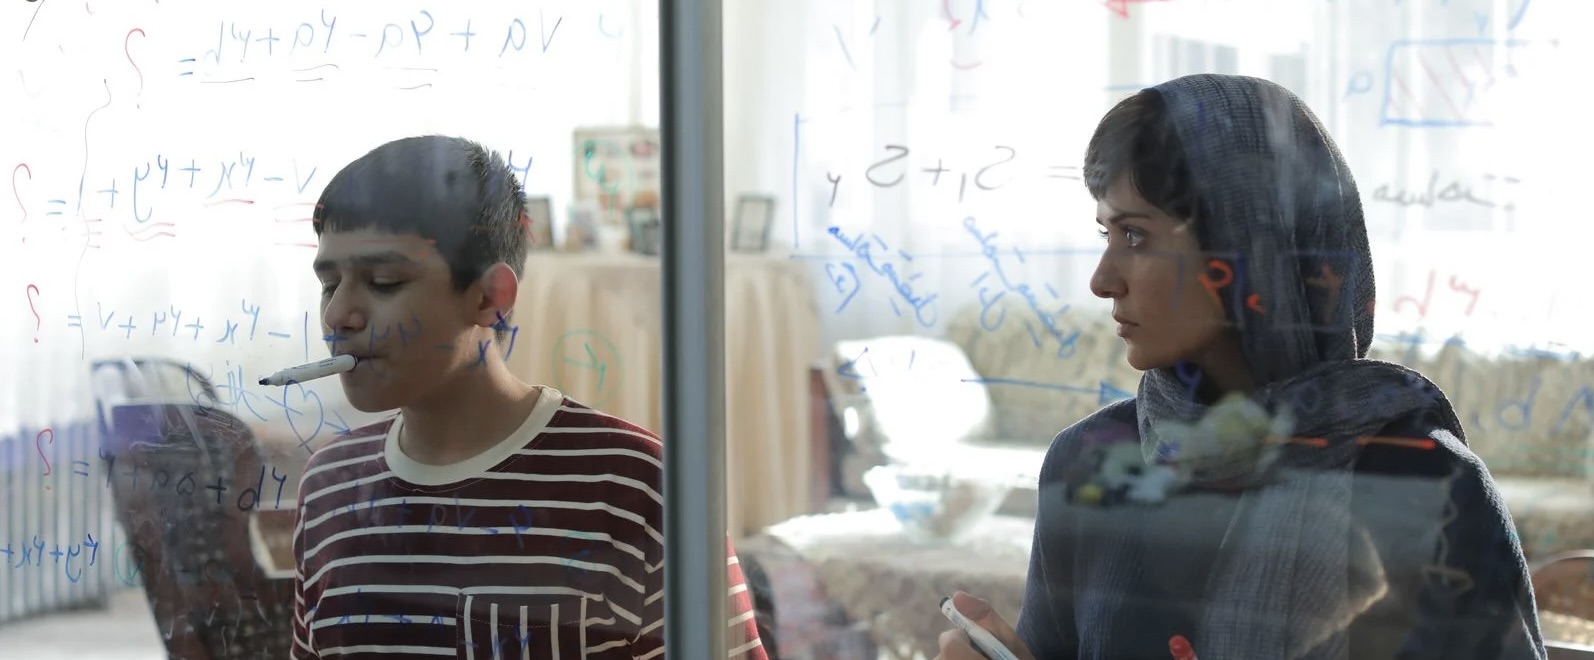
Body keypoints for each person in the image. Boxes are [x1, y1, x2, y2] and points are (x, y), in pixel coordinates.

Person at [935, 74, 1545, 659]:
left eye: (1136, 236)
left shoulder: (1423, 481)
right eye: (1106, 234)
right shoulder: (1087, 461)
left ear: (1251, 247)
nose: (1102, 280)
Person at [289, 135, 767, 659]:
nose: (338, 315)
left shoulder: (639, 486)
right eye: (329, 284)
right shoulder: (328, 486)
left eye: (383, 281)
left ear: (491, 297)